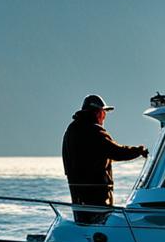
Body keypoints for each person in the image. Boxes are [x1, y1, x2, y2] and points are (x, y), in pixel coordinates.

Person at [61, 94, 148, 224]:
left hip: (77, 193)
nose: (105, 116)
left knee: (84, 225)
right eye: (104, 112)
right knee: (99, 224)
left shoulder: (71, 130)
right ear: (97, 112)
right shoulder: (93, 131)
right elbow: (116, 152)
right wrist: (138, 151)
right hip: (96, 194)